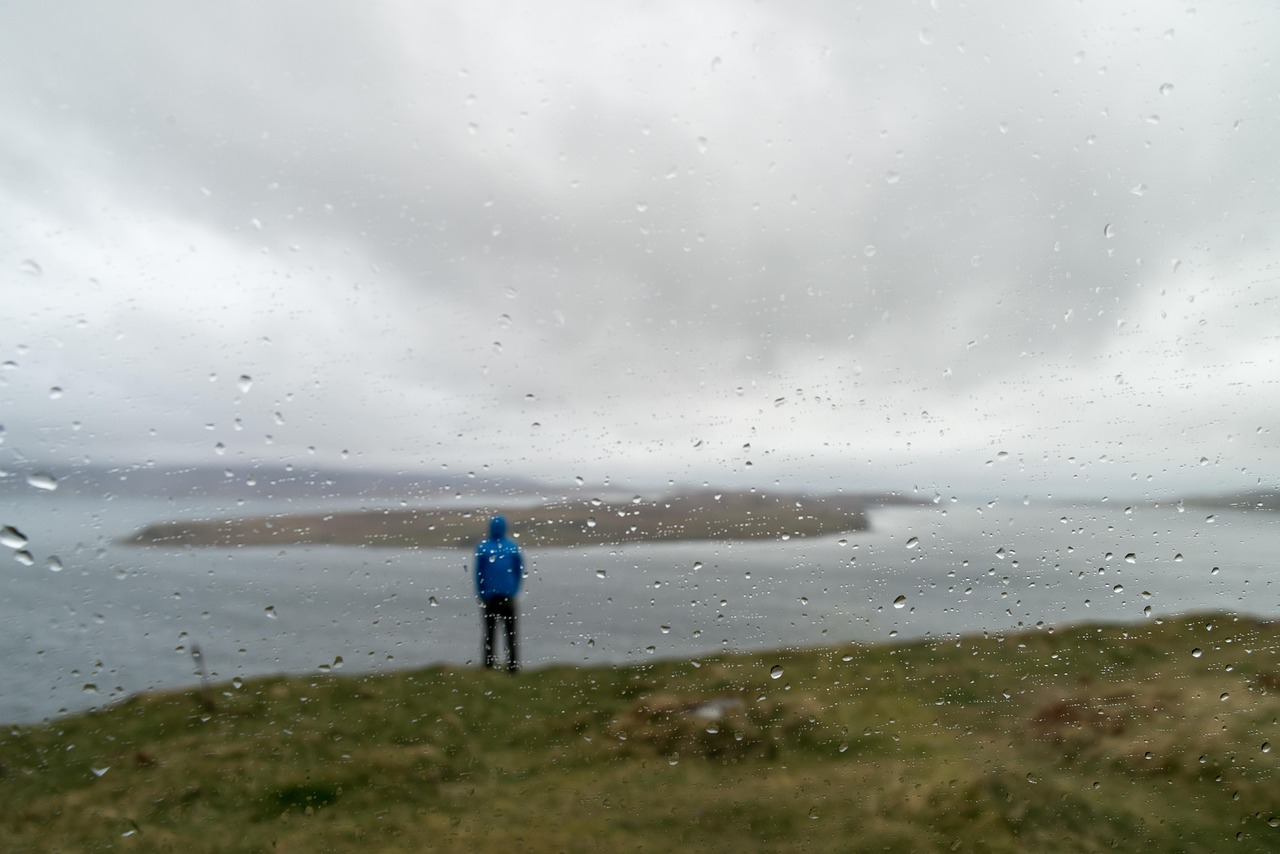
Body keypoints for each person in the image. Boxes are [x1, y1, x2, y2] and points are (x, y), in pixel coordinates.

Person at [473, 514, 523, 672]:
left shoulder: (483, 547)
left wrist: (482, 593)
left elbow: (478, 573)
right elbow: (519, 570)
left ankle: (488, 665)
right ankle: (512, 666)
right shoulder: (512, 546)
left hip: (491, 598)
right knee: (510, 633)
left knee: (490, 633)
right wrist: (514, 589)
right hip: (507, 597)